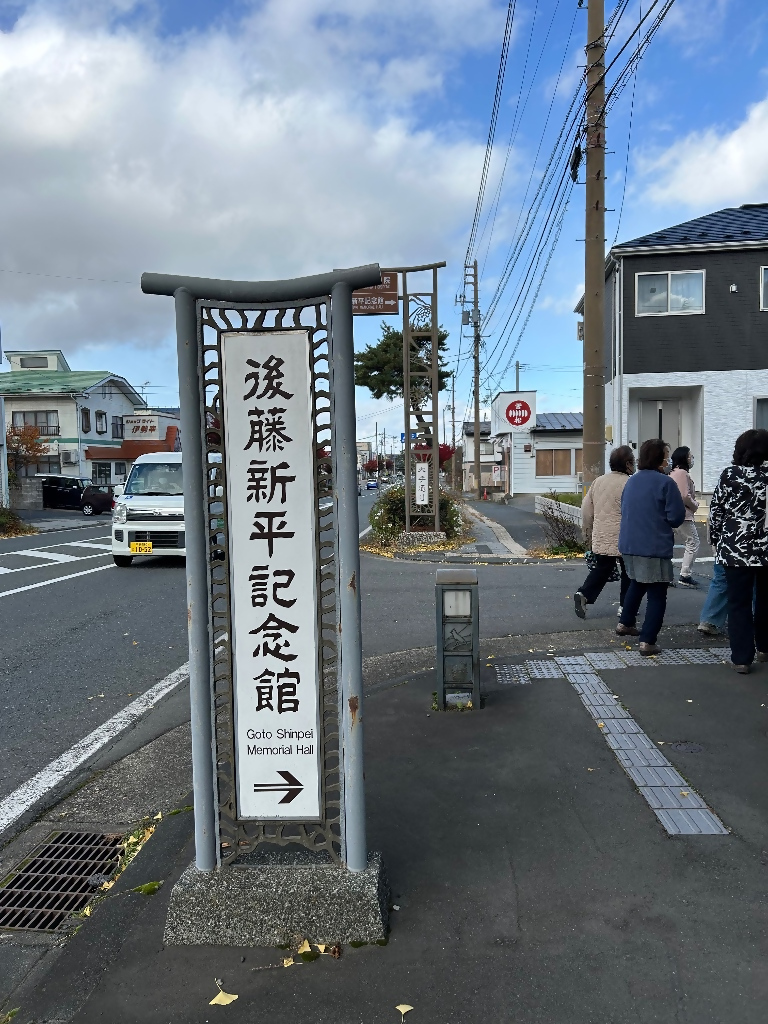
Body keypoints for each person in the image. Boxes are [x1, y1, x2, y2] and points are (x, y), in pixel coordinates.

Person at [616, 438, 686, 656]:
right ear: (659, 458)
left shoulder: (632, 481)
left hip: (629, 544)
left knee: (637, 583)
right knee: (657, 593)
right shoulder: (666, 483)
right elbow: (676, 517)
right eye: (666, 455)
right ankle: (648, 641)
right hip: (653, 545)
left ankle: (625, 622)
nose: (669, 460)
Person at [708, 428, 768, 674]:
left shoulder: (730, 474)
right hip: (766, 550)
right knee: (765, 600)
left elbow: (716, 510)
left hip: (735, 549)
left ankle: (742, 658)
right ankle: (764, 647)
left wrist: (715, 538)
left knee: (739, 603)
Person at [574, 445, 635, 619]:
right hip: (625, 536)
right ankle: (625, 606)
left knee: (602, 569)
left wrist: (587, 532)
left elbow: (586, 510)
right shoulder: (630, 483)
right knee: (629, 572)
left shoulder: (598, 482)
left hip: (601, 534)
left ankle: (584, 594)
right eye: (633, 461)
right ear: (628, 464)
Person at [669, 446, 700, 587]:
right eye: (689, 456)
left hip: (673, 513)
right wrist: (695, 505)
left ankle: (667, 576)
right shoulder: (682, 473)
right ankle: (685, 574)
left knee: (668, 544)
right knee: (693, 542)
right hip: (683, 514)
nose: (691, 459)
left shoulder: (673, 473)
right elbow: (684, 495)